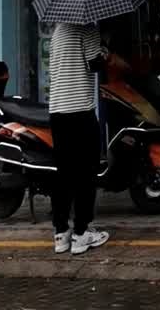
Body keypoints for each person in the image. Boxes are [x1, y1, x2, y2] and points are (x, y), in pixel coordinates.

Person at [48, 20, 110, 256]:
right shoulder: (88, 28)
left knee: (63, 174)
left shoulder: (57, 30)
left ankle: (61, 233)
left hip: (57, 112)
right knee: (86, 173)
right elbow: (95, 65)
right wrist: (105, 50)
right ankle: (81, 233)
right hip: (80, 112)